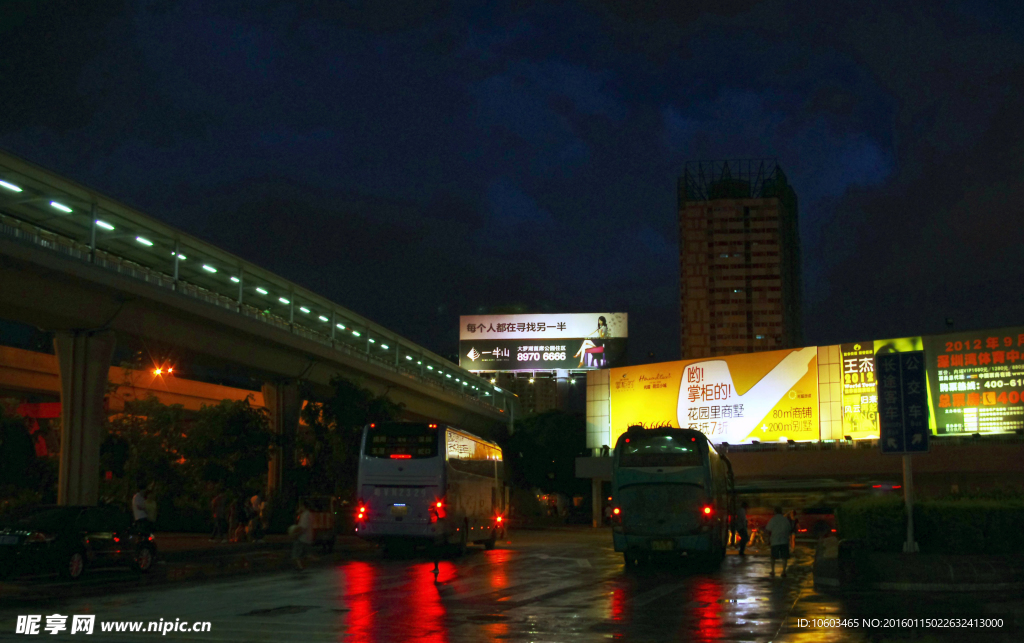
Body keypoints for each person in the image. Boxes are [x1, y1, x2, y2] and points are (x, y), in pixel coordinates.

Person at [765, 506, 793, 577]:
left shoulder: (773, 519)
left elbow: (768, 530)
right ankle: (783, 571)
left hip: (775, 540)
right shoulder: (785, 520)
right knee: (784, 557)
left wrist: (768, 540)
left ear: (775, 512)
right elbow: (789, 529)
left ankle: (773, 571)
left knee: (773, 557)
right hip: (784, 540)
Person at [291, 501, 314, 571]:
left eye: (300, 506)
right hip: (308, 537)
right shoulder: (309, 514)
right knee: (304, 555)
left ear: (303, 506)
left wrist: (296, 534)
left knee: (296, 555)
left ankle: (300, 567)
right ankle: (303, 567)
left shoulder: (305, 515)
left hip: (302, 538)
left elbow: (303, 528)